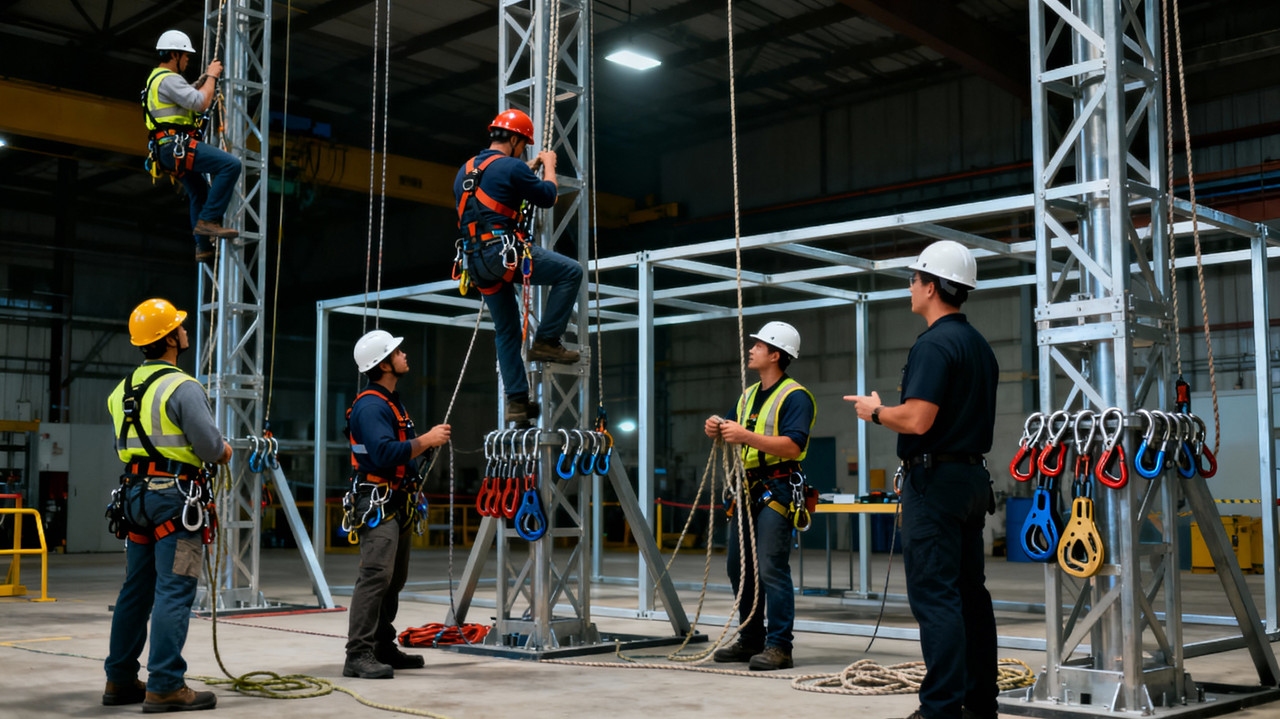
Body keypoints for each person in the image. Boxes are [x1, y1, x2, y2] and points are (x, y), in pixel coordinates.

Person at [844, 240, 999, 719]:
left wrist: (875, 412)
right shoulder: (978, 345)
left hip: (936, 484)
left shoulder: (934, 344)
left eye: (913, 279)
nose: (910, 287)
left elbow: (916, 420)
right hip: (971, 480)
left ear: (930, 286)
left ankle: (940, 709)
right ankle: (979, 702)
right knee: (970, 593)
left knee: (936, 596)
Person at [103, 298, 232, 712]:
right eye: (180, 327)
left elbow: (124, 447)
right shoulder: (183, 387)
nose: (185, 331)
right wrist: (226, 452)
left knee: (136, 591)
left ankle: (120, 680)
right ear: (170, 339)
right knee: (174, 591)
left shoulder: (121, 391)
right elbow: (210, 448)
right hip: (175, 500)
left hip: (134, 497)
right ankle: (165, 685)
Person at [453, 109, 584, 426]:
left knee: (506, 330)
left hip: (476, 262)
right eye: (523, 145)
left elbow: (499, 185)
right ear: (513, 140)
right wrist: (549, 166)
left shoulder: (467, 169)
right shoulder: (512, 167)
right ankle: (547, 341)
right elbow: (548, 196)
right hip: (504, 253)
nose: (523, 150)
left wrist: (529, 166)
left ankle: (517, 402)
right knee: (571, 272)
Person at [704, 321, 815, 671]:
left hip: (777, 488)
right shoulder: (749, 394)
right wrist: (718, 429)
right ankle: (750, 639)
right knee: (738, 567)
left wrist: (743, 436)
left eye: (759, 345)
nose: (751, 349)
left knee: (771, 567)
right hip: (747, 487)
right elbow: (735, 430)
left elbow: (794, 445)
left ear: (775, 355)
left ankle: (780, 646)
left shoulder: (795, 396)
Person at [343, 329, 451, 679]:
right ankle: (357, 655)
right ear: (384, 364)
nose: (404, 355)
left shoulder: (391, 401)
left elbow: (399, 452)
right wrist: (426, 440)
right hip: (377, 500)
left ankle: (382, 644)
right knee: (376, 576)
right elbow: (384, 452)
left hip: (396, 499)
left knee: (394, 579)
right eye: (397, 352)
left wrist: (421, 448)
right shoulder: (372, 405)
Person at [144, 29, 243, 262]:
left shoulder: (157, 79)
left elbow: (186, 96)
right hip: (175, 146)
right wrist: (211, 76)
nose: (188, 60)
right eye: (185, 55)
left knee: (199, 191)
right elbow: (199, 102)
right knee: (231, 165)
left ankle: (203, 247)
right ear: (174, 55)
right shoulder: (167, 78)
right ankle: (208, 221)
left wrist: (201, 81)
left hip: (167, 149)